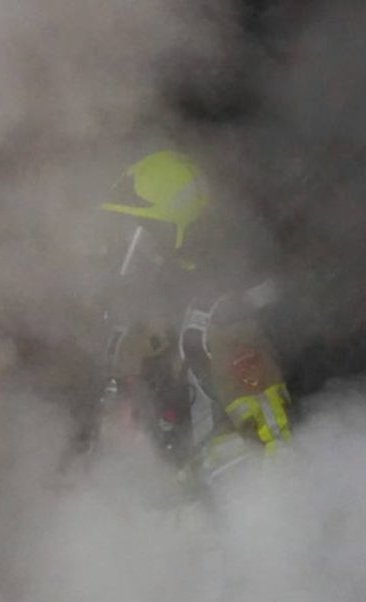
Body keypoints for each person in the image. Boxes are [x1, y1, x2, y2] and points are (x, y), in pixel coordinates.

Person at [94, 149, 293, 487]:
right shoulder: (132, 320)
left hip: (224, 512)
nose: (127, 248)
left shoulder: (218, 322)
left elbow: (274, 450)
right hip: (153, 507)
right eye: (121, 231)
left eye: (141, 232)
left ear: (173, 233)